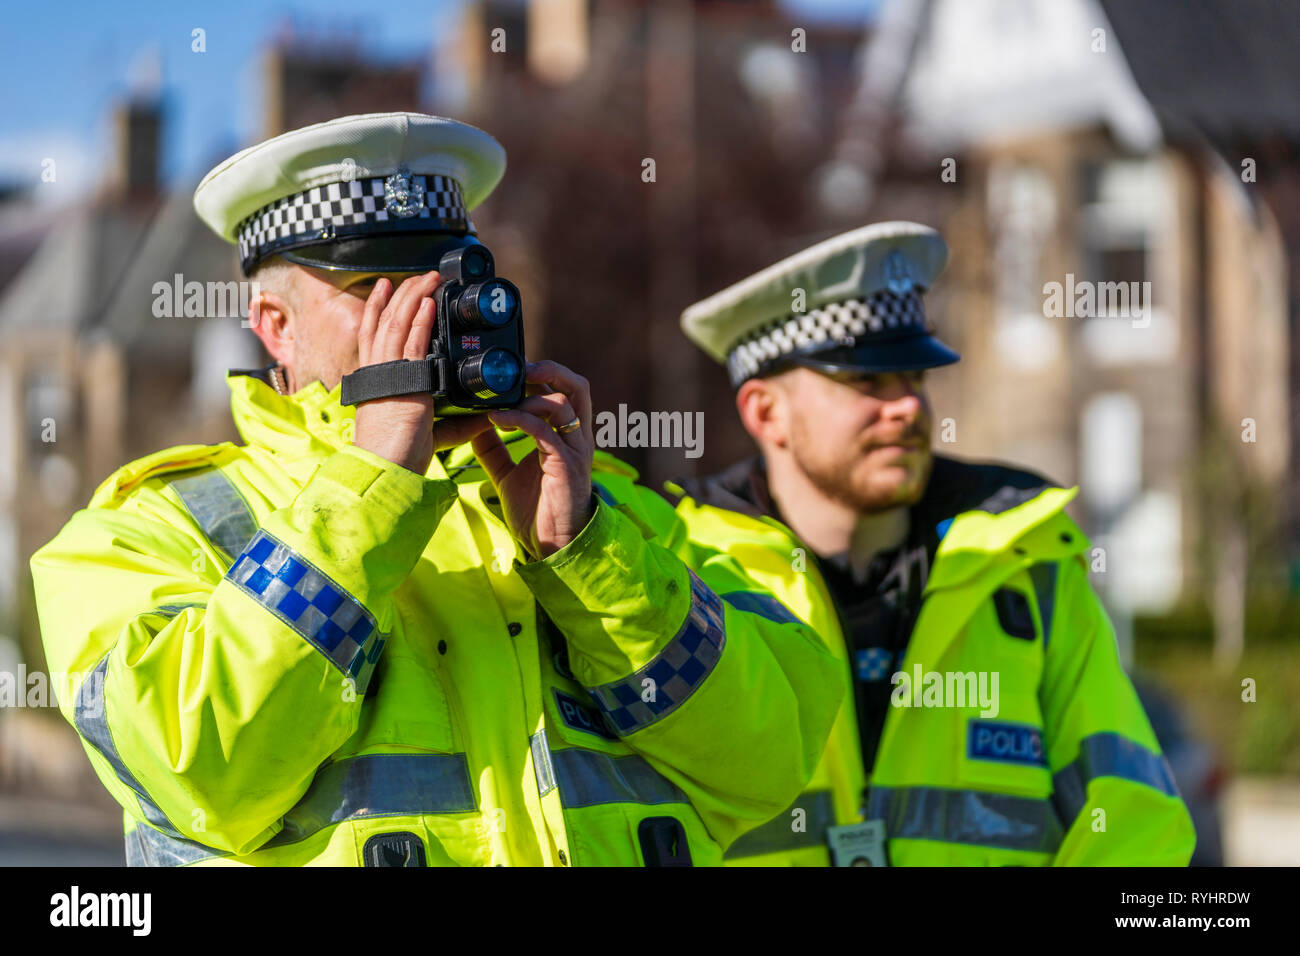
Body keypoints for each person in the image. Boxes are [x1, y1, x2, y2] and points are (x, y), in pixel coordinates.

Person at [29, 112, 844, 867]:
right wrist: (370, 489)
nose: (427, 318)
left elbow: (767, 764)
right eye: (376, 292)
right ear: (275, 324)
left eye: (441, 283)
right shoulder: (142, 533)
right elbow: (201, 773)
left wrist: (584, 557)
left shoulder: (620, 519)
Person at [672, 221, 1197, 866]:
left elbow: (1136, 824)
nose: (909, 409)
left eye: (915, 378)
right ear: (764, 412)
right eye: (868, 383)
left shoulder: (1029, 565)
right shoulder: (683, 577)